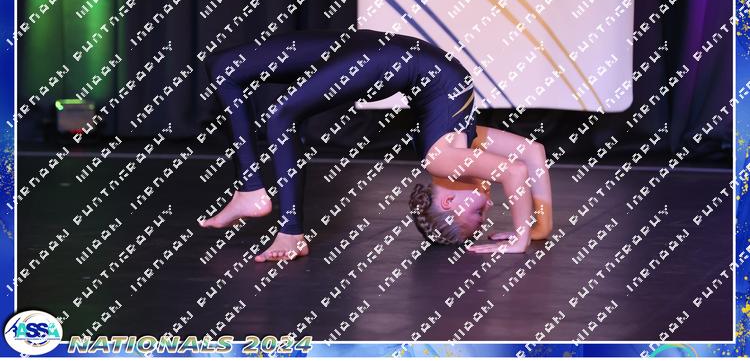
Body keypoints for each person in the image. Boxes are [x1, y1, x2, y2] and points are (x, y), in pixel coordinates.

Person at [198, 27, 553, 261]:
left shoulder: (445, 156)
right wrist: (528, 233)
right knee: (226, 69)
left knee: (273, 108)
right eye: (482, 215)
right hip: (383, 53)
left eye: (479, 213)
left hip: (382, 53)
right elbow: (522, 164)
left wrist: (533, 230)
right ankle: (256, 196)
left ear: (448, 201)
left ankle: (282, 224)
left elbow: (525, 161)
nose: (489, 205)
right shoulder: (448, 157)